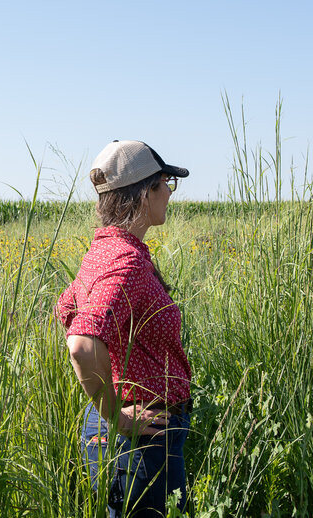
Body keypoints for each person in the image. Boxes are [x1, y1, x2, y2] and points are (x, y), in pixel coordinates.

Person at [56, 140, 194, 517]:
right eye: (165, 182)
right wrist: (116, 414)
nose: (169, 192)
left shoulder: (101, 252)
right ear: (144, 192)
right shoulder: (126, 262)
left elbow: (65, 308)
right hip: (143, 432)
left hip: (118, 425)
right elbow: (82, 344)